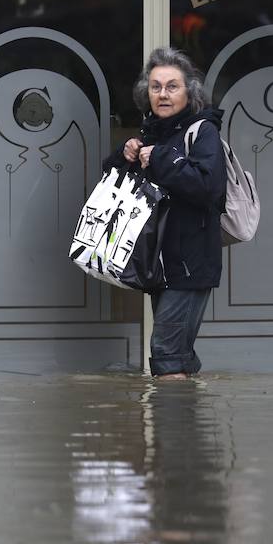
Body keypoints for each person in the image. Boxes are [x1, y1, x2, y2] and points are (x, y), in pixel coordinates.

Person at [104, 47, 226, 380]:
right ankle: (188, 427)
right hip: (160, 263)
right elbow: (114, 183)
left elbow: (208, 188)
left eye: (172, 86)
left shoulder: (203, 132)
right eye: (156, 87)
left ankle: (170, 428)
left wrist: (159, 158)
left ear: (189, 92)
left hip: (189, 264)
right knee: (178, 355)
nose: (163, 94)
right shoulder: (152, 132)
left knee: (166, 353)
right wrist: (124, 155)